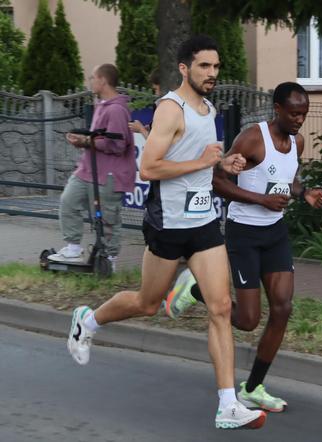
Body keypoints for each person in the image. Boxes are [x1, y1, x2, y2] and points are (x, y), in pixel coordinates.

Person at [66, 35, 266, 430]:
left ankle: (227, 404)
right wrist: (200, 162)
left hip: (204, 222)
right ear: (184, 68)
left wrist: (224, 164)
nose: (212, 73)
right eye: (204, 66)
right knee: (146, 303)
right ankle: (87, 321)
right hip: (168, 224)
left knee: (221, 307)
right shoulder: (170, 110)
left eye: (216, 66)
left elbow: (202, 161)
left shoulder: (209, 110)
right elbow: (149, 169)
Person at [164, 82, 322, 413]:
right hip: (244, 234)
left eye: (304, 114)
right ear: (278, 109)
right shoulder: (254, 137)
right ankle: (196, 290)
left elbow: (288, 179)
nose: (300, 120)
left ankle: (253, 388)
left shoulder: (297, 142)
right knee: (248, 320)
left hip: (275, 234)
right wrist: (261, 200)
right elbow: (217, 180)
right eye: (294, 113)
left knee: (283, 309)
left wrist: (304, 193)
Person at [49, 64, 135, 270]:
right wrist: (83, 138)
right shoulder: (101, 104)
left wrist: (86, 141)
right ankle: (73, 248)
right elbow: (99, 137)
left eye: (92, 77)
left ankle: (109, 260)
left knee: (107, 218)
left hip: (109, 173)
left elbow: (117, 144)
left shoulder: (116, 109)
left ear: (103, 80)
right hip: (89, 168)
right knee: (68, 200)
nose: (90, 81)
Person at [129, 69, 161, 138]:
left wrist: (141, 129)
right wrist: (149, 127)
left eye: (156, 89)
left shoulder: (164, 107)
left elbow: (156, 142)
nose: (156, 94)